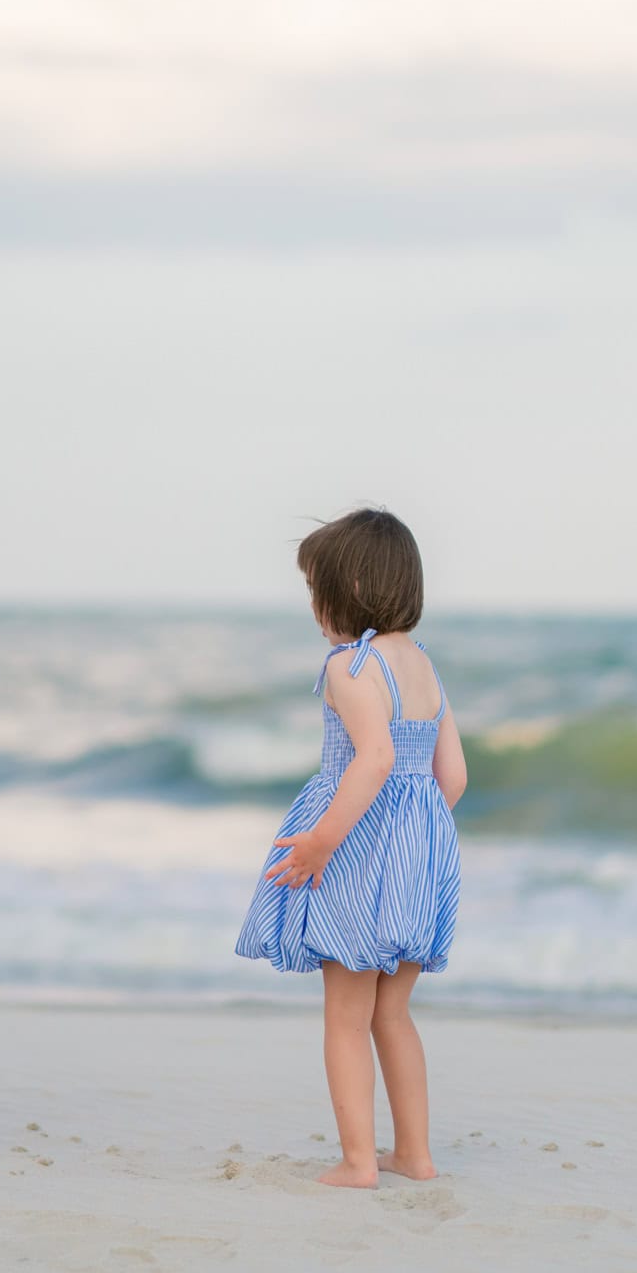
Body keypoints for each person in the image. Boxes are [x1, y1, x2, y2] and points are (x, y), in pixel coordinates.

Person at [235, 508, 465, 1188]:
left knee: (345, 1013)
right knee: (392, 1012)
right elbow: (451, 777)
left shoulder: (349, 666)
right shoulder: (423, 666)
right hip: (419, 855)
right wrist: (413, 842)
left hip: (355, 852)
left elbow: (373, 760)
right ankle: (415, 1157)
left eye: (316, 590)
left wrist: (320, 844)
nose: (313, 608)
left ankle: (359, 1162)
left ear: (349, 591)